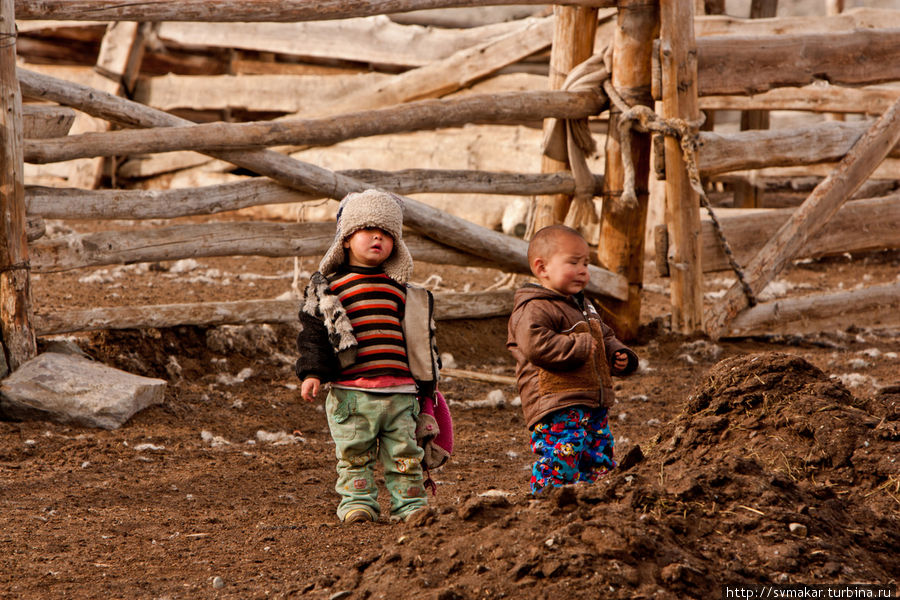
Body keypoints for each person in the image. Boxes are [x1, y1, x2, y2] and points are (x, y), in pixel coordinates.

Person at [295, 189, 440, 524]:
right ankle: (358, 502)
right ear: (346, 238)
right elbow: (313, 335)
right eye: (369, 229)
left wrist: (430, 380)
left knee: (405, 453)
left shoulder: (402, 291)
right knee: (354, 454)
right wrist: (312, 373)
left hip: (401, 393)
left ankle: (409, 506)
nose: (379, 236)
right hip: (351, 392)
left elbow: (420, 337)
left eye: (388, 233)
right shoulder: (331, 289)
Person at [507, 224, 639, 494]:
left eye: (586, 263)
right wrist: (577, 345)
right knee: (562, 454)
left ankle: (593, 495)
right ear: (542, 268)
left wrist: (617, 354)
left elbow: (604, 335)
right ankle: (550, 497)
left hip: (591, 401)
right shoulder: (534, 307)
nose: (583, 270)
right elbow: (536, 346)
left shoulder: (584, 305)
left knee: (597, 452)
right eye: (573, 262)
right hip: (556, 402)